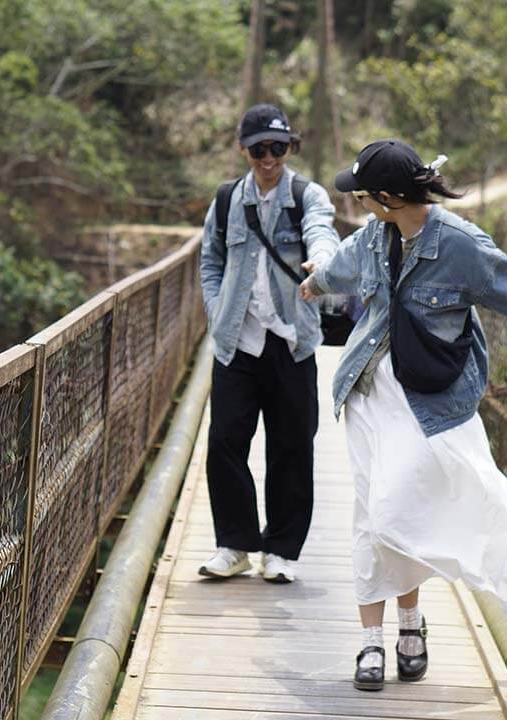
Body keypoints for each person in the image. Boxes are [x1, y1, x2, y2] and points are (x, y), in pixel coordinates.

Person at [299, 139, 507, 691]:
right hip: (365, 395)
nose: (358, 202)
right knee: (372, 512)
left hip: (429, 404)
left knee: (397, 511)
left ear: (389, 197)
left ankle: (410, 620)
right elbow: (338, 269)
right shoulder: (373, 237)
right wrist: (315, 282)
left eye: (363, 195)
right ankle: (376, 637)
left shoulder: (460, 245)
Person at [198, 103, 340, 583]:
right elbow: (210, 262)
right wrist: (217, 313)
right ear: (243, 149)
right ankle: (235, 545)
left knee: (292, 445)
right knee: (224, 442)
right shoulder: (225, 201)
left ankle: (281, 550)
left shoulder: (306, 195)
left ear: (289, 147)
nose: (269, 157)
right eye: (259, 148)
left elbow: (323, 231)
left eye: (278, 147)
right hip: (236, 341)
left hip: (291, 340)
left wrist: (322, 261)